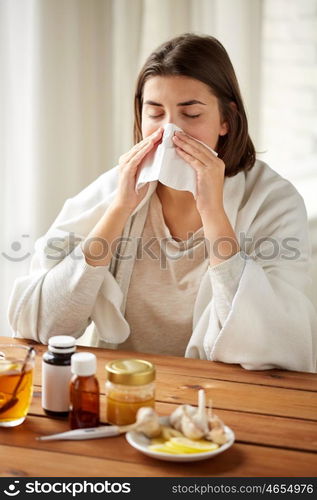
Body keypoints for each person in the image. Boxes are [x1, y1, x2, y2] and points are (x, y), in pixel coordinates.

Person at [8, 33, 317, 372]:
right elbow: (41, 324)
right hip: (124, 390)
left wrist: (212, 212)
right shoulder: (114, 188)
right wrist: (118, 210)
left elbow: (270, 343)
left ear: (226, 119)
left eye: (191, 114)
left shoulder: (273, 201)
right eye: (155, 113)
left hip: (221, 400)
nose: (171, 132)